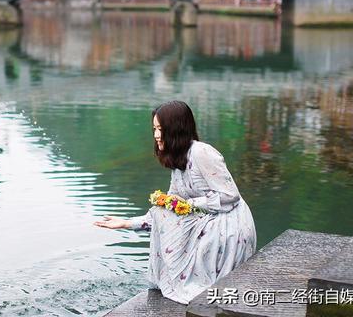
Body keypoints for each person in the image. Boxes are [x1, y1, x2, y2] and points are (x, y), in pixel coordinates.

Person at [94, 100, 256, 304]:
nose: (155, 135)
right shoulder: (178, 161)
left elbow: (229, 195)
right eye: (154, 129)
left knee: (170, 216)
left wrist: (190, 205)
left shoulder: (202, 152)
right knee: (163, 212)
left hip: (228, 222)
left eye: (160, 129)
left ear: (175, 129)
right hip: (205, 217)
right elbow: (169, 207)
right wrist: (127, 223)